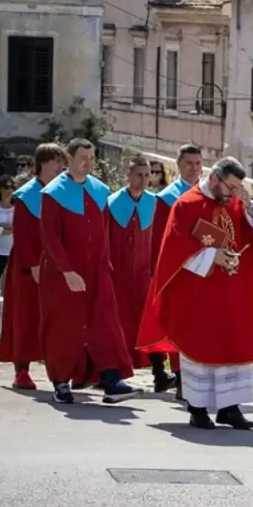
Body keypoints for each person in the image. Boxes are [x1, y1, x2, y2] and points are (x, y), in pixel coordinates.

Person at [137, 157, 253, 430]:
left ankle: (229, 407)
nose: (233, 194)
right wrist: (212, 256)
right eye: (230, 187)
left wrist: (250, 206)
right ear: (214, 180)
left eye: (239, 189)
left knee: (233, 343)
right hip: (198, 292)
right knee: (201, 346)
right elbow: (174, 248)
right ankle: (198, 408)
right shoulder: (187, 204)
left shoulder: (235, 202)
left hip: (231, 291)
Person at [39, 138, 141, 405]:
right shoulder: (53, 193)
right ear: (69, 159)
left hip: (96, 271)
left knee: (104, 324)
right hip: (65, 274)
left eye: (92, 158)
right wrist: (66, 271)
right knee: (65, 328)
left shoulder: (99, 190)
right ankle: (60, 382)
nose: (89, 162)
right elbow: (50, 238)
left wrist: (105, 264)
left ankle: (111, 380)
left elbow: (102, 231)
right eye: (84, 157)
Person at [0, 144, 66, 389]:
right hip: (29, 266)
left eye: (61, 162)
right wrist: (35, 267)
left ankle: (62, 368)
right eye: (57, 162)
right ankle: (22, 371)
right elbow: (23, 235)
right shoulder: (26, 195)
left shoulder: (61, 192)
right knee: (25, 317)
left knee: (58, 319)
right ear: (44, 164)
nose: (61, 167)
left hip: (57, 264)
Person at [107, 155, 175, 393]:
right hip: (118, 274)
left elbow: (159, 240)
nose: (144, 180)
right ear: (128, 175)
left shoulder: (155, 203)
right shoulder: (112, 203)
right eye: (139, 175)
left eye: (148, 175)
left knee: (151, 323)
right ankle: (110, 372)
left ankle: (159, 373)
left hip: (144, 273)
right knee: (117, 324)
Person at [140, 144, 203, 397]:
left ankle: (195, 378)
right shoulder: (167, 197)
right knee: (177, 326)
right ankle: (180, 379)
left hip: (204, 269)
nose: (194, 168)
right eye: (189, 163)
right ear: (178, 165)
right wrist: (159, 270)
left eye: (198, 163)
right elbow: (159, 238)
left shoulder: (205, 193)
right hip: (177, 271)